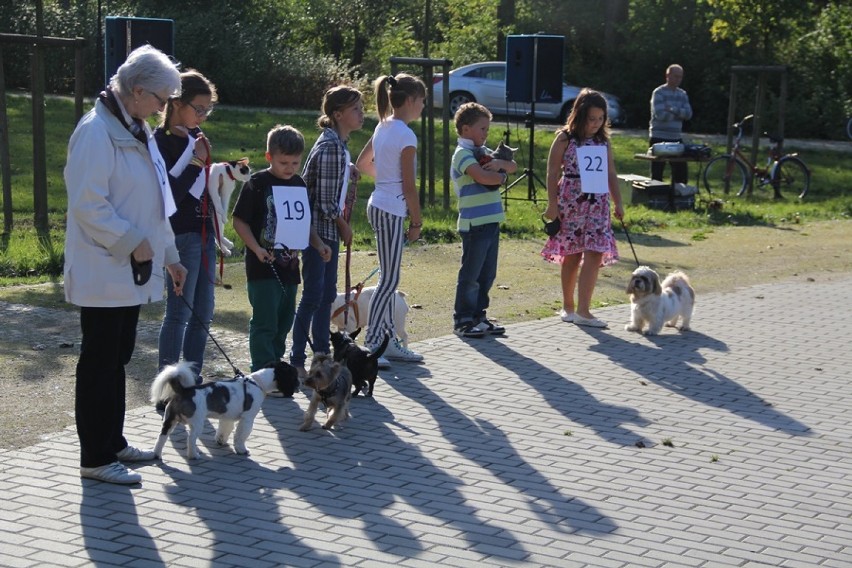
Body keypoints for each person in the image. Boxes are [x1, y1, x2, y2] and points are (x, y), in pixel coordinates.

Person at [63, 45, 187, 485]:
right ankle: (95, 457)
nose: (163, 109)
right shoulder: (96, 132)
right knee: (99, 362)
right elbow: (87, 206)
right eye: (160, 99)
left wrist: (170, 254)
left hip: (131, 271)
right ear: (136, 91)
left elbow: (156, 201)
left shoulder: (136, 127)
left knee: (118, 357)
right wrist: (132, 242)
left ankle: (111, 441)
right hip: (103, 270)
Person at [232, 125, 331, 372]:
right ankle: (263, 370)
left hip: (289, 267)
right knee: (265, 320)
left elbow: (303, 222)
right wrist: (255, 248)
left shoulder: (298, 183)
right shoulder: (256, 182)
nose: (289, 169)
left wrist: (319, 244)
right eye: (284, 163)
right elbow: (239, 220)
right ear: (269, 157)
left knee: (284, 319)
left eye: (295, 163)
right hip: (262, 266)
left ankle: (276, 366)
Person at [290, 85, 364, 378]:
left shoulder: (337, 144)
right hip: (318, 233)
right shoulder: (332, 146)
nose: (362, 114)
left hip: (323, 231)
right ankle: (297, 357)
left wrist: (349, 171)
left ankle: (321, 355)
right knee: (314, 296)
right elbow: (324, 202)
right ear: (337, 114)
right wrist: (344, 225)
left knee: (325, 295)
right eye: (355, 109)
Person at [356, 73, 427, 365]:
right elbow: (409, 186)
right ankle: (373, 342)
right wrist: (417, 222)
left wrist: (386, 181)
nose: (423, 106)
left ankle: (387, 341)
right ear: (410, 101)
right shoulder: (406, 135)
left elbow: (362, 163)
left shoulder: (383, 126)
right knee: (390, 279)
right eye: (422, 101)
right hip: (391, 209)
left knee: (388, 277)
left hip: (381, 203)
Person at [542, 88, 624, 329]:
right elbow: (552, 172)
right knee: (573, 253)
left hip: (597, 203)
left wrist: (618, 201)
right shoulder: (564, 138)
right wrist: (552, 204)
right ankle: (568, 306)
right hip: (571, 199)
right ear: (580, 115)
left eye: (601, 119)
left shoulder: (602, 141)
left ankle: (584, 310)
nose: (596, 124)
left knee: (595, 252)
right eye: (592, 119)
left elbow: (610, 173)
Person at [155, 70, 218, 382]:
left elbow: (205, 185)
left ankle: (192, 380)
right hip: (180, 235)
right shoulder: (160, 143)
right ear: (177, 103)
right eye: (199, 109)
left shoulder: (196, 139)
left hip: (205, 232)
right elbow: (170, 196)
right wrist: (196, 162)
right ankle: (167, 384)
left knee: (204, 312)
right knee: (180, 312)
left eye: (208, 110)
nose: (203, 116)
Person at [450, 102, 517, 338]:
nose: (486, 134)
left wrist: (500, 165)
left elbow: (513, 166)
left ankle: (479, 316)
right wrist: (499, 176)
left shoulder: (484, 152)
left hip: (491, 221)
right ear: (466, 129)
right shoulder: (462, 154)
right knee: (471, 275)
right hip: (474, 223)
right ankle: (463, 319)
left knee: (487, 274)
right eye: (482, 129)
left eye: (487, 130)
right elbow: (481, 176)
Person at [649, 63, 692, 184]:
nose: (678, 79)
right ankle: (656, 197)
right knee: (657, 171)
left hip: (676, 138)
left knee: (681, 171)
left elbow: (688, 114)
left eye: (680, 77)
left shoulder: (682, 94)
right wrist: (679, 113)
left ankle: (678, 196)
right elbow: (661, 115)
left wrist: (672, 109)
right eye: (676, 76)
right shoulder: (658, 93)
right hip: (659, 137)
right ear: (667, 76)